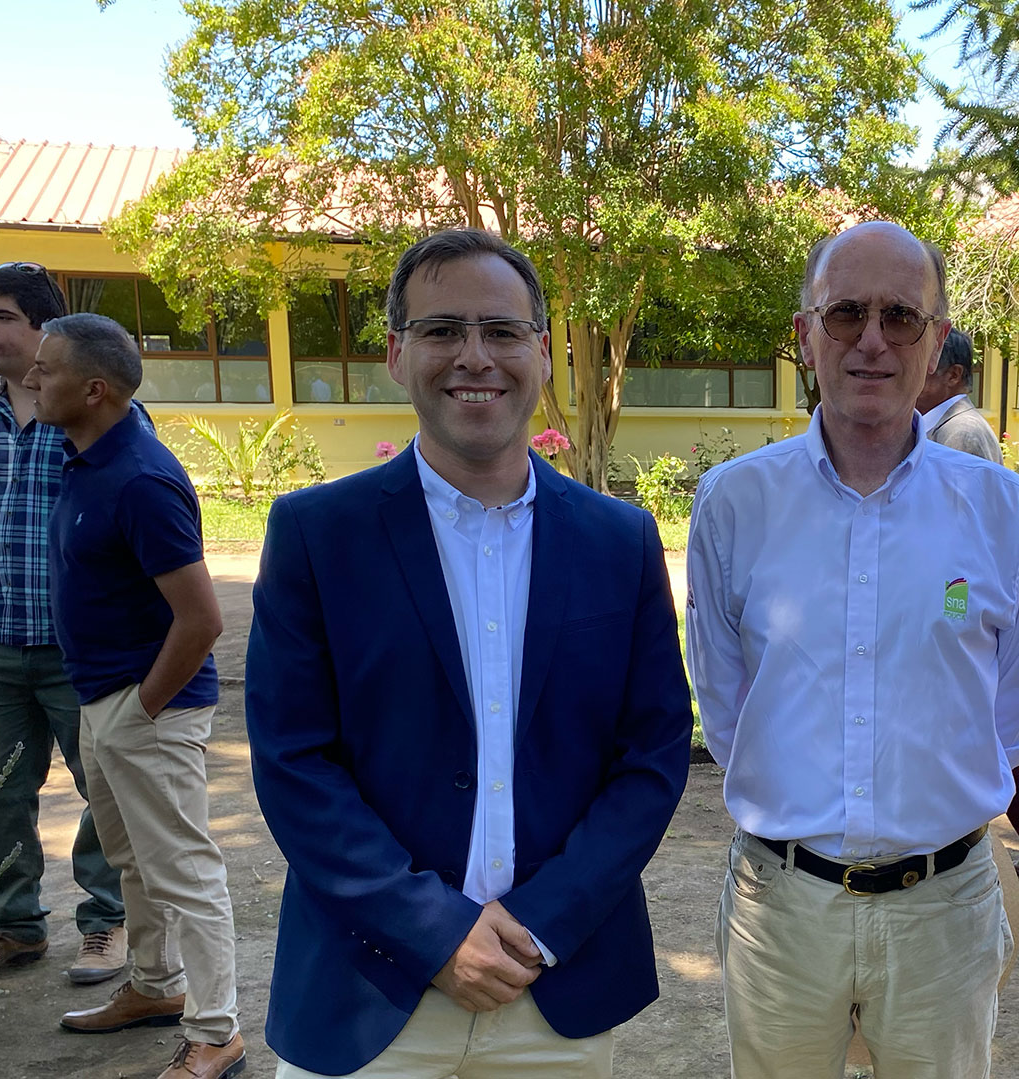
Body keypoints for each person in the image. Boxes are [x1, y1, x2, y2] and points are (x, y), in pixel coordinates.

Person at [244, 228, 693, 1079]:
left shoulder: (620, 541)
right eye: (443, 330)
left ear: (543, 352)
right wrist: (434, 931)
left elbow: (652, 757)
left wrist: (543, 919)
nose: (473, 356)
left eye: (501, 331)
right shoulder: (316, 535)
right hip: (369, 990)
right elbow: (293, 759)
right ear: (395, 353)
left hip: (554, 988)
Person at [687, 221, 1019, 1079]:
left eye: (900, 316)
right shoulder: (733, 503)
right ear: (804, 334)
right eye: (845, 312)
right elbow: (726, 701)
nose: (870, 339)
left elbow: (1016, 708)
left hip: (944, 906)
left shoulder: (1005, 512)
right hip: (781, 905)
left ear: (935, 340)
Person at [25, 314, 241, 1079]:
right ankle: (155, 987)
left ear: (94, 388)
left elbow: (202, 617)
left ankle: (216, 1032)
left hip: (147, 705)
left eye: (46, 370)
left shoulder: (141, 479)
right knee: (135, 862)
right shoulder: (82, 457)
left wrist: (142, 709)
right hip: (103, 700)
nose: (30, 377)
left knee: (184, 868)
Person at [0, 263, 128, 987]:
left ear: (44, 327)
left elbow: (132, 509)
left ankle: (105, 922)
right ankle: (13, 926)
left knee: (104, 786)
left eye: (2, 316)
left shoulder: (89, 405)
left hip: (80, 647)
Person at [915, 329, 1019, 880]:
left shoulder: (960, 431)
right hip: (952, 587)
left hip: (957, 591)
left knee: (988, 730)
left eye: (925, 365)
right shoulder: (939, 427)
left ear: (953, 375)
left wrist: (950, 615)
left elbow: (964, 538)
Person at [916, 327, 1001, 462]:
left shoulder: (961, 435)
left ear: (954, 375)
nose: (908, 377)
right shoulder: (945, 427)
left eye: (919, 368)